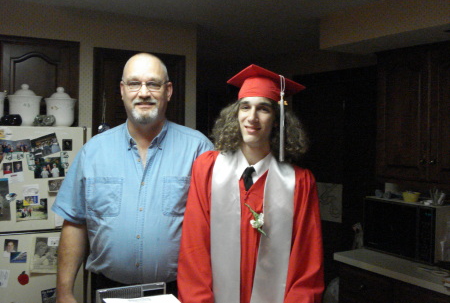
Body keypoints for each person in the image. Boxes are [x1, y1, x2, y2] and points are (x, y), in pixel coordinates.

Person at [52, 53, 213, 303]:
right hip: (108, 288)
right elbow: (75, 222)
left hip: (180, 290)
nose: (144, 92)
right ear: (122, 90)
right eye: (134, 83)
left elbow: (219, 226)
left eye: (153, 84)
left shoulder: (199, 149)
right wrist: (64, 293)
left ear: (168, 91)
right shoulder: (93, 151)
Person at [177, 64, 324, 303]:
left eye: (263, 109)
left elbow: (307, 264)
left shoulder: (299, 183)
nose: (252, 117)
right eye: (245, 107)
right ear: (236, 114)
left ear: (277, 120)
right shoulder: (208, 169)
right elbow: (194, 250)